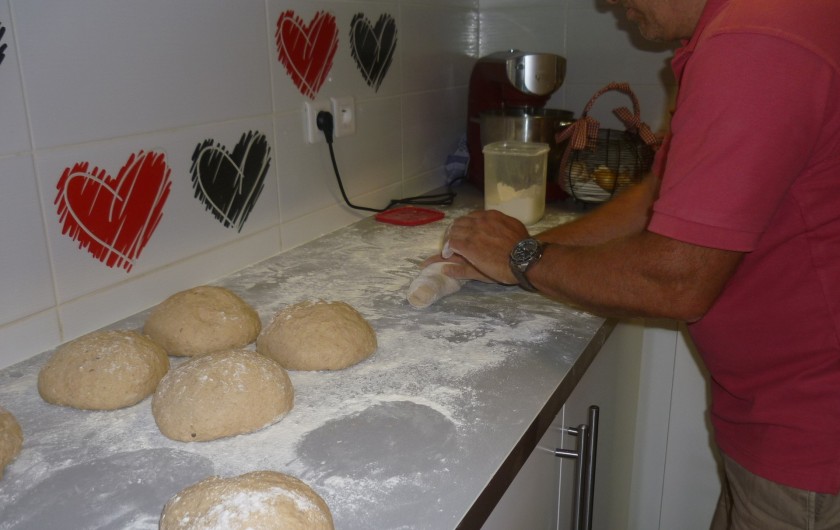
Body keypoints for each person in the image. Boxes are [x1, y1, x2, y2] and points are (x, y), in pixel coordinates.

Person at [429, 0, 840, 528]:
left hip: (813, 436)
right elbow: (660, 196)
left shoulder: (757, 41)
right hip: (789, 419)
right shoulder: (765, 24)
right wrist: (526, 253)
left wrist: (523, 259)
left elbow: (676, 281)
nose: (606, 1)